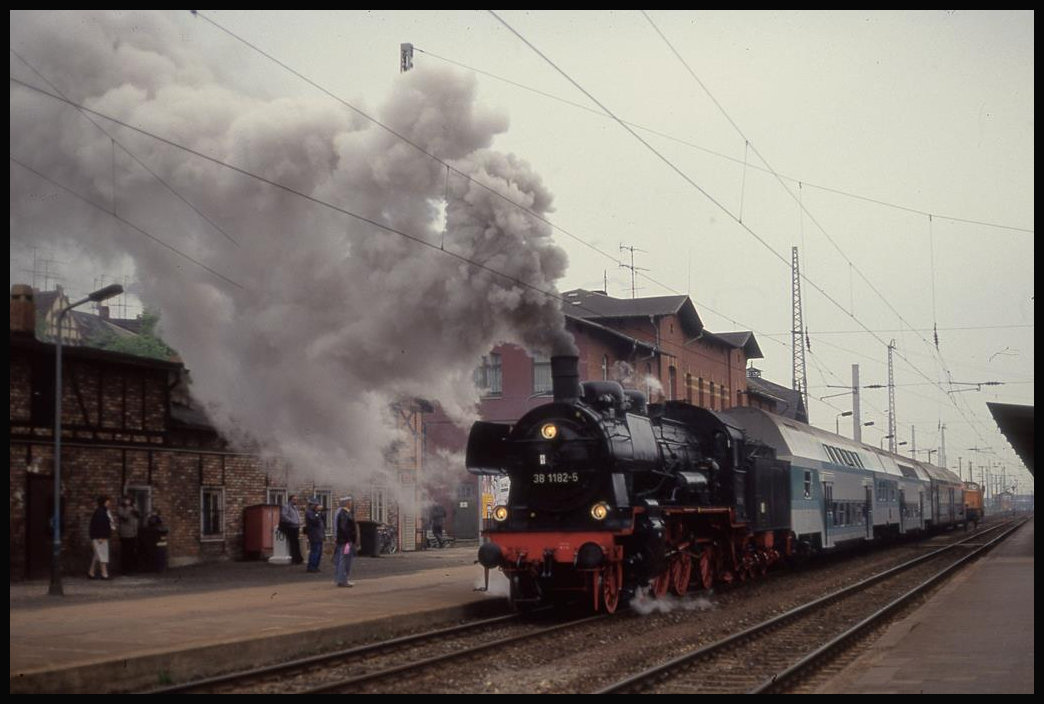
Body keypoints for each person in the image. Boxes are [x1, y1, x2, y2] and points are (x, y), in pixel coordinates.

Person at [333, 496, 358, 588]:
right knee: (345, 559)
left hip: (344, 540)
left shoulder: (343, 513)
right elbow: (344, 528)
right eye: (349, 502)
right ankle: (343, 580)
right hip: (346, 541)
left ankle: (342, 579)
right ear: (346, 503)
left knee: (342, 559)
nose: (350, 504)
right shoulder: (344, 514)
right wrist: (349, 539)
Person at [87, 495, 115, 580]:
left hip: (99, 536)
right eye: (107, 501)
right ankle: (104, 573)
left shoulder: (102, 511)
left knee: (97, 554)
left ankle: (91, 572)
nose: (109, 502)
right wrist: (101, 536)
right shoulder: (101, 512)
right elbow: (100, 525)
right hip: (100, 537)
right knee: (102, 555)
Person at [116, 495, 141, 574]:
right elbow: (125, 516)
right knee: (125, 552)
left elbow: (138, 516)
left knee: (132, 551)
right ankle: (125, 569)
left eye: (129, 500)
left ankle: (132, 568)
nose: (128, 501)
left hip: (133, 533)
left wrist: (135, 509)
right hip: (125, 534)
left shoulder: (133, 507)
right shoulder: (121, 508)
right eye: (126, 500)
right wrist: (128, 508)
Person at [280, 494, 304, 565]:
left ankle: (298, 559)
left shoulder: (295, 507)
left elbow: (297, 516)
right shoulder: (286, 506)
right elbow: (284, 516)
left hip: (296, 527)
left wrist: (299, 522)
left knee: (296, 543)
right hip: (290, 527)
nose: (296, 501)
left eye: (296, 499)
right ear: (290, 500)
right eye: (294, 499)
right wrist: (292, 521)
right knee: (293, 543)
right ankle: (295, 559)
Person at [304, 498, 326, 573]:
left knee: (319, 552)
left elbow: (323, 518)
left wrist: (320, 512)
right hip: (314, 535)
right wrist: (317, 512)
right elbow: (315, 522)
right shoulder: (309, 512)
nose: (317, 506)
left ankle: (315, 566)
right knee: (315, 551)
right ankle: (311, 567)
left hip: (319, 535)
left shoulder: (316, 512)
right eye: (315, 505)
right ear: (311, 505)